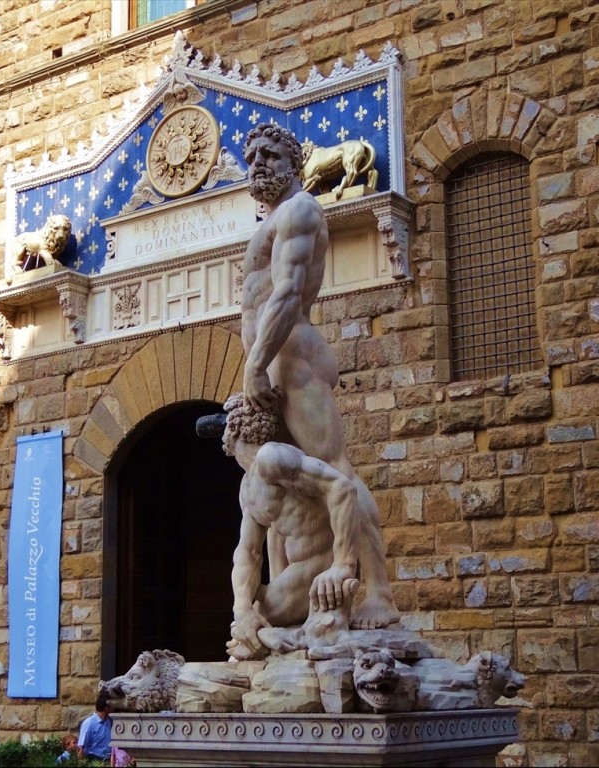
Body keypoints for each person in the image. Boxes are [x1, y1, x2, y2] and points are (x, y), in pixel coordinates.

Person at [238, 123, 398, 631]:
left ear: (293, 161)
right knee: (288, 483)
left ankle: (378, 593)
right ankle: (301, 606)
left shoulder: (301, 209)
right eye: (251, 155)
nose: (257, 162)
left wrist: (256, 361)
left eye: (268, 153)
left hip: (291, 353)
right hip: (272, 358)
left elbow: (286, 293)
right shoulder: (271, 221)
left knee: (335, 467)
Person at [215, 392, 366, 659]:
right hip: (298, 572)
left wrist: (342, 565)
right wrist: (241, 608)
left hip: (320, 566)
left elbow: (342, 488)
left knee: (252, 627)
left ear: (233, 428)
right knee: (248, 620)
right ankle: (268, 636)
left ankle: (270, 637)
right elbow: (248, 552)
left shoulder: (272, 457)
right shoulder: (248, 486)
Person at [76, 692, 112, 762]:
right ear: (106, 708)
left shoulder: (108, 721)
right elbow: (81, 748)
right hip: (94, 760)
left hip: (108, 759)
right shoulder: (89, 723)